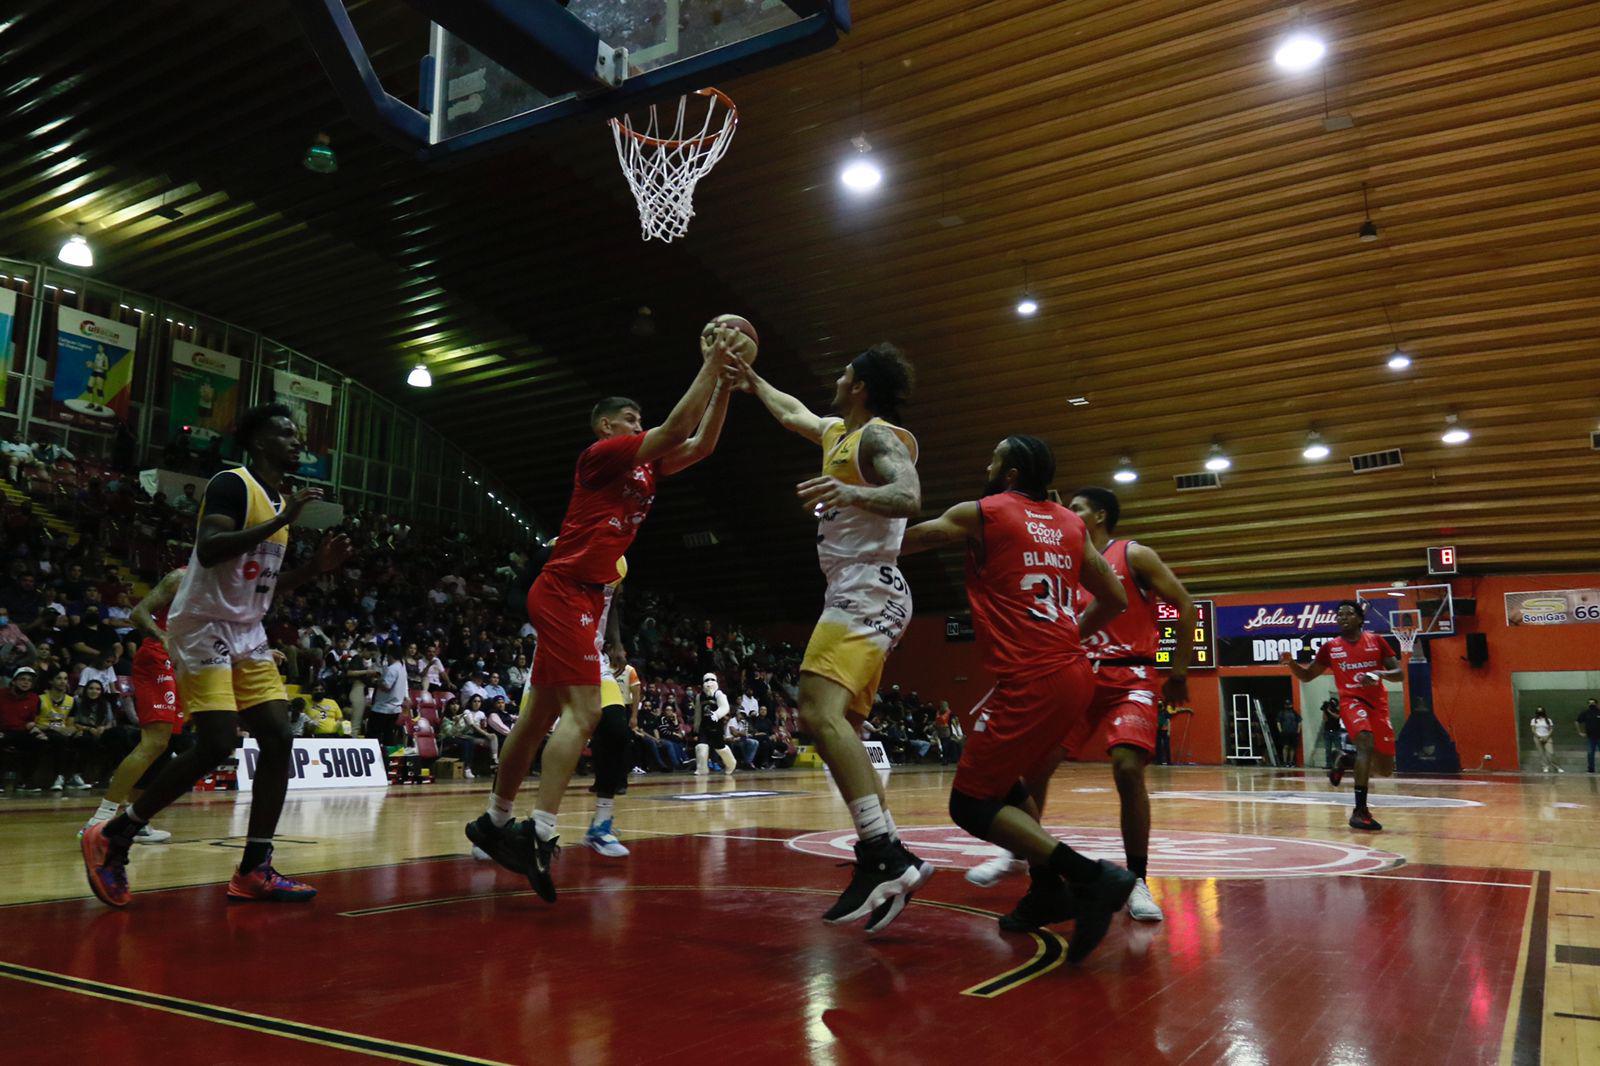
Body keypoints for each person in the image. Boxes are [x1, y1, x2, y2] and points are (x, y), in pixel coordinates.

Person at [464, 327, 741, 901]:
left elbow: (700, 446)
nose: (639, 424)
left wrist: (726, 389)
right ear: (606, 426)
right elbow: (672, 430)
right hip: (564, 588)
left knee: (538, 717)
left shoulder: (647, 467)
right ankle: (538, 832)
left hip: (587, 597)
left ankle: (492, 821)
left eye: (639, 417)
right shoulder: (600, 457)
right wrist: (712, 364)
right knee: (587, 712)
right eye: (630, 417)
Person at [81, 403, 353, 907]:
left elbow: (264, 590)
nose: (298, 443)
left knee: (278, 735)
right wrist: (285, 518)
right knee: (218, 742)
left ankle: (254, 868)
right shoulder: (233, 484)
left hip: (247, 628)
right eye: (285, 434)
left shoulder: (277, 503)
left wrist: (314, 567)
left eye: (298, 436)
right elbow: (209, 550)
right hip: (203, 625)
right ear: (257, 442)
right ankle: (115, 836)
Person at [900, 435, 1132, 962]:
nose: (986, 462)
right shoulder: (1071, 525)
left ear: (1009, 473)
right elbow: (1115, 598)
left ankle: (1092, 878)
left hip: (1032, 677)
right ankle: (1048, 890)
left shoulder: (985, 512)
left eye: (993, 455)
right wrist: (1071, 633)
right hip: (1072, 673)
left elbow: (904, 542)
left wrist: (848, 516)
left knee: (970, 803)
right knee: (1007, 787)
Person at [735, 344, 933, 933]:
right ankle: (889, 852)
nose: (837, 376)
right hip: (856, 590)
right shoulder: (835, 433)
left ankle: (881, 852)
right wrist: (748, 377)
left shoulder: (878, 438)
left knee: (816, 713)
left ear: (863, 386)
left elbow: (908, 494)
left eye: (847, 371)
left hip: (867, 589)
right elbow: (790, 411)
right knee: (839, 723)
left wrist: (851, 493)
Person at [81, 568, 185, 843]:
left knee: (164, 747)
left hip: (186, 661)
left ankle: (133, 820)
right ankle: (101, 818)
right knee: (154, 741)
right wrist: (162, 636)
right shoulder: (180, 577)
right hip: (158, 653)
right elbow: (138, 613)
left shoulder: (225, 584)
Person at [1281, 600, 1401, 831]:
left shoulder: (1376, 641)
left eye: (1348, 613)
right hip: (1351, 701)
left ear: (1359, 618)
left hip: (1378, 705)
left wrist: (1379, 673)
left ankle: (1345, 759)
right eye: (1339, 615)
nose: (1342, 617)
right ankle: (1360, 811)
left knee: (1385, 769)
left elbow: (1399, 674)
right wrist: (1291, 664)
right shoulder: (1330, 647)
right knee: (1365, 741)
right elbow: (1307, 677)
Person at [582, 557, 636, 858]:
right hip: (554, 654)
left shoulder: (619, 562)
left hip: (594, 660)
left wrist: (615, 642)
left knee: (617, 730)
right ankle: (496, 817)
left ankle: (601, 825)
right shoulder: (560, 547)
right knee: (528, 737)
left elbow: (611, 604)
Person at [694, 672, 739, 775]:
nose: (709, 683)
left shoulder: (718, 694)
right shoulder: (699, 697)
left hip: (716, 725)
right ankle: (702, 769)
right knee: (701, 746)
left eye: (712, 680)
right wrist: (696, 725)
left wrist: (717, 715)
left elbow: (725, 707)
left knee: (720, 748)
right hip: (704, 725)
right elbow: (697, 712)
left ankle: (731, 763)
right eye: (706, 680)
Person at [367, 644, 408, 747]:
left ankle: (372, 757)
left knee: (373, 735)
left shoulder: (393, 669)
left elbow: (386, 686)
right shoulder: (402, 668)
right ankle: (387, 759)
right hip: (395, 709)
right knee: (388, 736)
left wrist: (376, 681)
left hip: (383, 708)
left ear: (391, 655)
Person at [1529, 707, 1560, 773]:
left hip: (1547, 737)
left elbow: (1551, 729)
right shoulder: (1534, 720)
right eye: (1538, 711)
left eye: (1541, 711)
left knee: (1550, 753)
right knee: (1541, 753)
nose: (1540, 713)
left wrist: (1547, 736)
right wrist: (1538, 737)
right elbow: (1533, 730)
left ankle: (1556, 767)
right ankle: (1545, 767)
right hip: (1537, 737)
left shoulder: (1548, 720)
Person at [1576, 698, 1600, 774]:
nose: (1591, 704)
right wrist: (1580, 732)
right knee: (1590, 753)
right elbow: (1577, 721)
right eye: (1589, 703)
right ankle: (1591, 769)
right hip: (1591, 737)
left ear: (1596, 704)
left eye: (1593, 703)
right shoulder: (1585, 713)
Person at [1277, 700, 1302, 767]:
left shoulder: (1295, 713)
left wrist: (1298, 731)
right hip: (1285, 732)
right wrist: (1280, 731)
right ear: (1285, 705)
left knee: (1292, 747)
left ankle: (1291, 761)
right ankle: (1285, 762)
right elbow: (1278, 722)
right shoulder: (1282, 713)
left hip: (1293, 732)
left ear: (1291, 705)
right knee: (1285, 746)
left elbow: (1299, 722)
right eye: (1287, 704)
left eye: (1289, 704)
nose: (1288, 706)